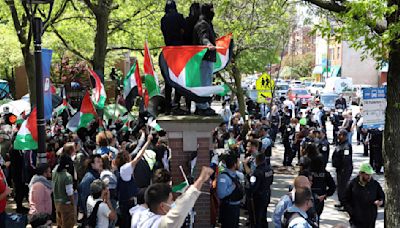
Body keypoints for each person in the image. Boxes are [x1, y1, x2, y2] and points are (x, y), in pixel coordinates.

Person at [137, 166, 214, 228]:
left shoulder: (141, 217)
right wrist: (201, 179)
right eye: (170, 200)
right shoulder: (161, 224)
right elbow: (181, 207)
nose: (173, 203)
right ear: (162, 206)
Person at [117, 135, 152, 228]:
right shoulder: (125, 169)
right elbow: (138, 157)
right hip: (126, 203)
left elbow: (137, 150)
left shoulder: (123, 169)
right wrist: (148, 141)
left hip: (128, 202)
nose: (130, 156)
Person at [161, 0, 187, 115]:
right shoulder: (179, 17)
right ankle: (176, 103)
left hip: (168, 50)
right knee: (178, 77)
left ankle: (167, 106)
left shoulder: (163, 19)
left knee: (168, 79)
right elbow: (184, 31)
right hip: (179, 50)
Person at [193, 3, 217, 116]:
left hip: (207, 58)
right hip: (204, 58)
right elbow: (204, 37)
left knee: (206, 83)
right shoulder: (202, 24)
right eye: (211, 10)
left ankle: (203, 105)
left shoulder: (207, 23)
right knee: (204, 84)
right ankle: (202, 106)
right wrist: (208, 44)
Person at [343, 163, 385, 228]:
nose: (369, 177)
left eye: (370, 174)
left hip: (370, 219)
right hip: (356, 220)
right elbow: (345, 199)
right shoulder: (352, 184)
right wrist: (351, 212)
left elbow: (382, 196)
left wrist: (381, 201)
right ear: (361, 174)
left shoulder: (375, 184)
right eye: (367, 175)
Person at [217, 154, 244, 228]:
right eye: (238, 163)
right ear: (235, 165)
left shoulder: (235, 174)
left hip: (236, 207)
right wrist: (232, 187)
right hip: (228, 208)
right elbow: (221, 194)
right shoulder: (223, 177)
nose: (240, 164)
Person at [248, 153, 274, 228]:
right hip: (267, 194)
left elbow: (253, 186)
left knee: (257, 218)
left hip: (258, 197)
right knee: (263, 215)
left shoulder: (257, 172)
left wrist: (249, 193)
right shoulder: (269, 169)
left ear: (257, 160)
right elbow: (271, 181)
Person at [78, 154, 103, 223]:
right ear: (92, 164)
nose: (101, 163)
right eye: (98, 162)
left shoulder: (96, 175)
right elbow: (84, 197)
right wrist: (88, 213)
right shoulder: (89, 178)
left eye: (101, 161)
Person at [331, 130, 353, 210]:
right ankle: (341, 202)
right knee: (340, 187)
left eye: (340, 135)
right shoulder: (340, 144)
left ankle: (345, 204)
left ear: (344, 136)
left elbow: (346, 159)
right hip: (340, 169)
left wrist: (344, 169)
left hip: (344, 169)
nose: (338, 136)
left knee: (343, 187)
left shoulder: (346, 146)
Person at [53, 154, 76, 228]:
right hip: (66, 205)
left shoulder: (54, 173)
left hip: (57, 203)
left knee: (59, 225)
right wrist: (73, 204)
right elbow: (69, 193)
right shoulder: (67, 176)